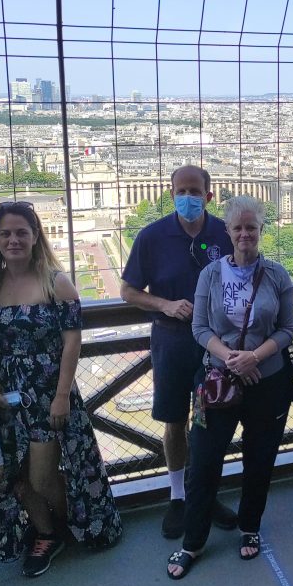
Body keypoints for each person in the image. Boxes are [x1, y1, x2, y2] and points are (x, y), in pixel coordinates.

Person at [0, 201, 122, 577]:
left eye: (21, 233)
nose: (13, 239)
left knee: (41, 476)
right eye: (6, 233)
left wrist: (62, 395)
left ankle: (64, 525)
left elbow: (72, 342)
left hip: (47, 392)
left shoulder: (55, 281)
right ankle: (47, 531)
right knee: (14, 477)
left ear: (35, 236)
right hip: (6, 395)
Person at [167, 196, 293, 579]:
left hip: (267, 380)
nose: (244, 234)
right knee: (203, 463)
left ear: (261, 231)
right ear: (227, 231)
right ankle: (193, 541)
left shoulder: (277, 275)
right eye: (237, 228)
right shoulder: (210, 275)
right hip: (218, 381)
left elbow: (288, 329)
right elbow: (200, 328)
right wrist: (232, 357)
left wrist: (254, 357)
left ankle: (249, 527)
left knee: (259, 460)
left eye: (251, 228)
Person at [121, 165, 237, 539]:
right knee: (174, 421)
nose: (188, 197)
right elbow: (128, 291)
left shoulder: (225, 231)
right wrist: (164, 305)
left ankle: (205, 491)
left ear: (209, 194)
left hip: (216, 342)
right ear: (171, 193)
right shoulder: (152, 236)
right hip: (171, 338)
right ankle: (178, 496)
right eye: (181, 190)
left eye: (195, 190)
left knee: (211, 420)